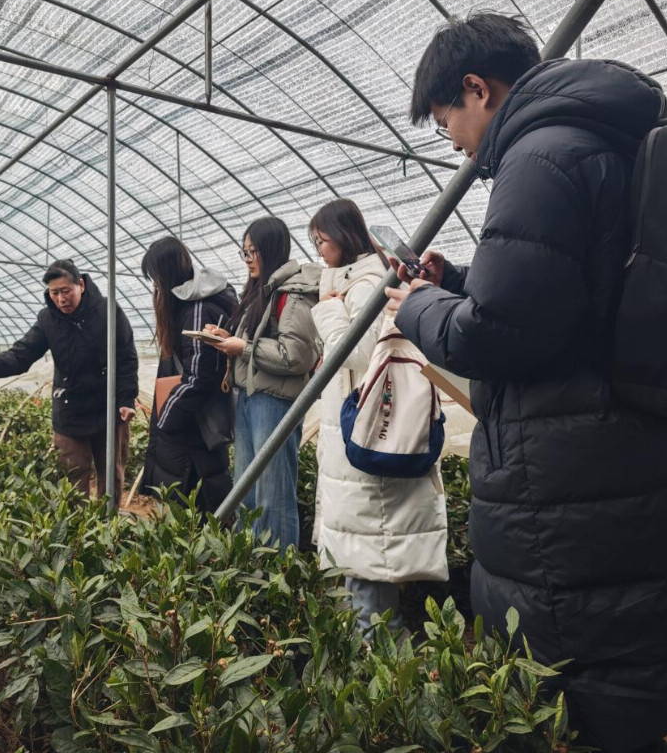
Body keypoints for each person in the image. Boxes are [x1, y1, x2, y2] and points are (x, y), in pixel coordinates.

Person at [386, 13, 667, 753]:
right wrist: (463, 280)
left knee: (572, 704)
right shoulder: (612, 139)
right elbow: (583, 295)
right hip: (635, 451)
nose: (455, 143)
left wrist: (419, 306)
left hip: (568, 484)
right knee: (621, 699)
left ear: (478, 88)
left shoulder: (541, 155)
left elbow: (499, 334)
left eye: (448, 122)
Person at [309, 198, 448, 634]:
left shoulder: (370, 281)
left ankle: (387, 684)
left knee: (370, 577)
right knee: (361, 571)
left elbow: (361, 351)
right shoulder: (349, 279)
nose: (319, 251)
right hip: (355, 439)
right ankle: (378, 677)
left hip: (370, 437)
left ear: (346, 238)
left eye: (324, 241)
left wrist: (328, 310)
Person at [0, 259, 138, 501]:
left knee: (111, 478)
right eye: (55, 293)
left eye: (66, 291)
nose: (61, 299)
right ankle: (78, 535)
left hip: (108, 407)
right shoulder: (48, 320)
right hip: (70, 411)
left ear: (81, 285)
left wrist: (126, 399)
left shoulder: (108, 311)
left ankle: (110, 528)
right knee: (73, 478)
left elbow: (126, 357)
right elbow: (22, 354)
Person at [206, 217, 321, 549]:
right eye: (244, 252)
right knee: (247, 489)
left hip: (274, 402)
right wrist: (229, 338)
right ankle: (250, 564)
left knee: (274, 494)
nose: (248, 259)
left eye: (253, 251)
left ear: (272, 249)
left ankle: (279, 573)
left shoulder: (294, 295)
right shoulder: (260, 291)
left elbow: (295, 355)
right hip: (249, 397)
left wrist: (243, 348)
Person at [139, 237, 237, 513]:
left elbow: (198, 378)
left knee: (195, 509)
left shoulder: (197, 309)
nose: (156, 287)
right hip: (190, 428)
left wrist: (166, 418)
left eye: (156, 279)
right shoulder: (191, 305)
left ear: (166, 274)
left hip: (192, 430)